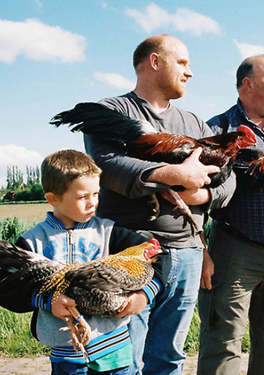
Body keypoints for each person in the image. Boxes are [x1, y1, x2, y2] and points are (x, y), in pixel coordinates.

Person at [84, 34, 236, 374]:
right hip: (132, 252)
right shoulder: (113, 111)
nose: (190, 72)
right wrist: (174, 174)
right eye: (182, 62)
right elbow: (107, 165)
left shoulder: (195, 122)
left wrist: (203, 195)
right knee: (125, 356)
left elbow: (228, 180)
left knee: (170, 356)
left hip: (187, 254)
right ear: (155, 62)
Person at [7, 149, 169, 375]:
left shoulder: (109, 232)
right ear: (53, 199)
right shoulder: (32, 241)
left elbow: (162, 258)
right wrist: (47, 300)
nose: (92, 202)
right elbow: (9, 289)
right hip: (67, 353)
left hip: (115, 348)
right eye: (83, 197)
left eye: (96, 194)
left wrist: (143, 296)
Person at [197, 55, 264, 375]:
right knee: (222, 339)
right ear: (247, 85)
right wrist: (201, 250)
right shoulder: (216, 130)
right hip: (235, 248)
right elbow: (196, 197)